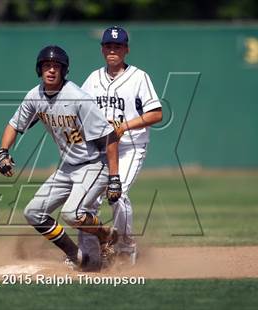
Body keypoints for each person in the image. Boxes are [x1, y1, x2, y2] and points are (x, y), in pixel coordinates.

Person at [0, 45, 122, 271]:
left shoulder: (78, 97)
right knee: (33, 213)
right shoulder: (35, 96)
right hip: (67, 167)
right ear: (40, 70)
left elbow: (110, 137)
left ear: (64, 71)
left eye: (56, 66)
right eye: (47, 66)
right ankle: (77, 255)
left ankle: (105, 235)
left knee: (71, 214)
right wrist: (3, 152)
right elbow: (14, 125)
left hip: (94, 164)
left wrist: (114, 178)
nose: (51, 70)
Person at [79, 26, 163, 266]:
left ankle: (126, 247)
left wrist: (123, 126)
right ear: (102, 49)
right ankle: (89, 253)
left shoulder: (139, 77)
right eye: (108, 46)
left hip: (130, 147)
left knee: (117, 194)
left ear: (126, 50)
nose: (112, 50)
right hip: (99, 150)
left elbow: (156, 114)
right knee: (86, 200)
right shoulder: (93, 78)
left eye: (117, 46)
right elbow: (80, 110)